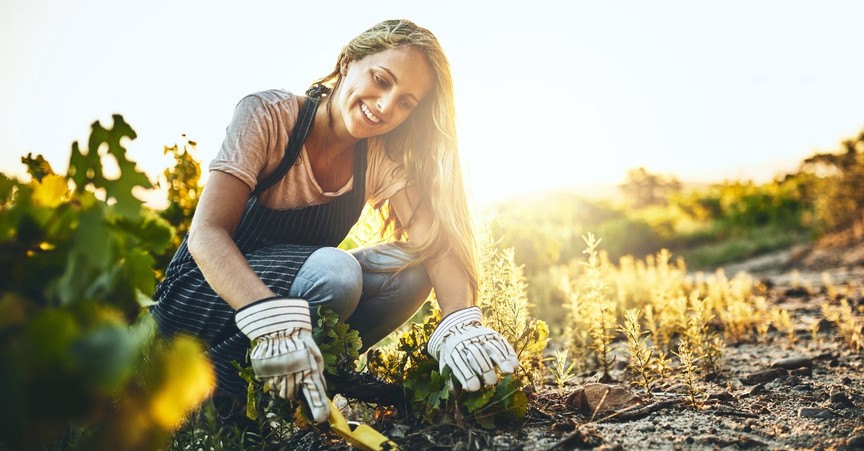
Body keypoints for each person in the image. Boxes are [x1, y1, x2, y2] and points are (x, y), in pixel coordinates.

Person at [151, 19, 518, 424]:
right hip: (193, 299)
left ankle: (289, 397)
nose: (385, 105)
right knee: (336, 273)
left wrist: (460, 321)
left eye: (405, 102)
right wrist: (271, 319)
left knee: (412, 271)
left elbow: (435, 243)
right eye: (381, 80)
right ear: (347, 62)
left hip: (281, 315)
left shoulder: (378, 158)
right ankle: (219, 401)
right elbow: (206, 234)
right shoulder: (269, 116)